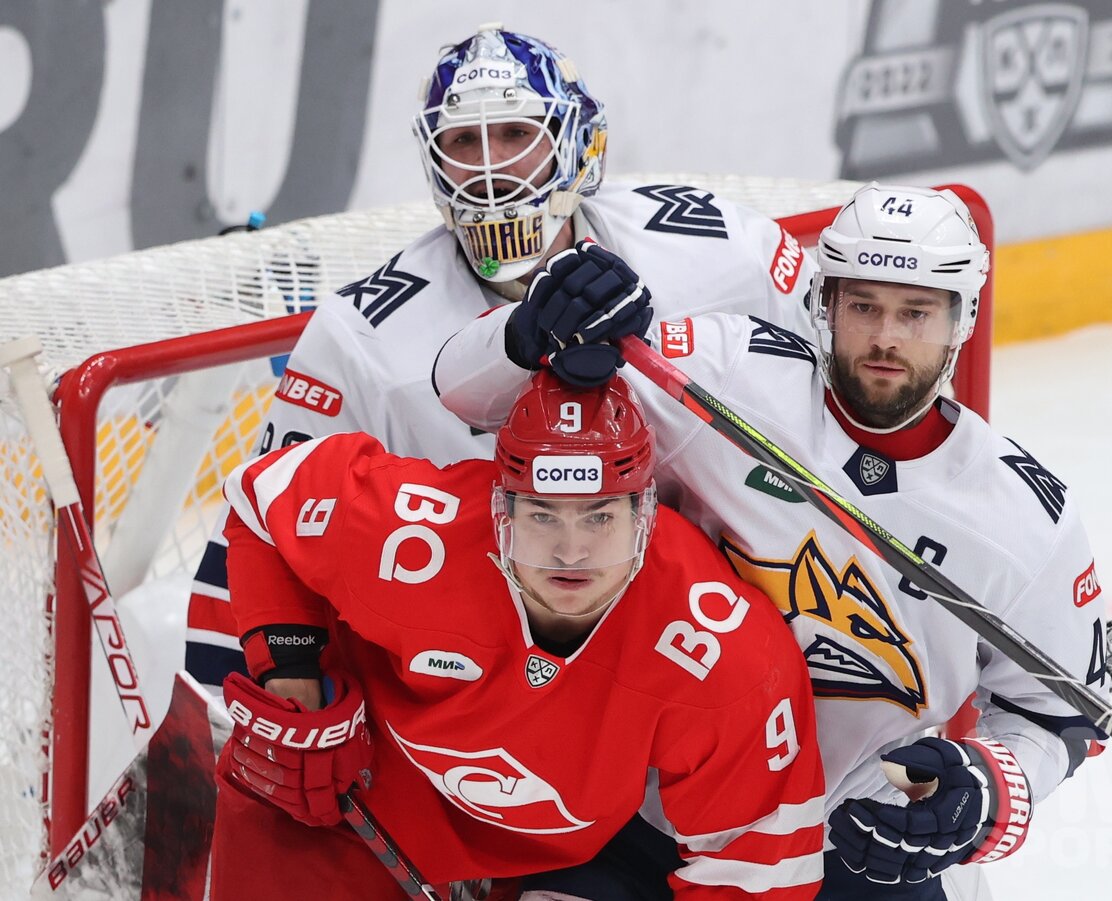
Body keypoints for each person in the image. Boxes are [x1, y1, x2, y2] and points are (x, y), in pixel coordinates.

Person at [433, 184, 1112, 900]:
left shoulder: (1025, 515)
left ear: (962, 317)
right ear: (825, 304)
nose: (885, 337)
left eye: (915, 312)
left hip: (856, 848)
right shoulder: (726, 375)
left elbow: (1060, 715)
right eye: (863, 307)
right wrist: (534, 327)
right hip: (645, 817)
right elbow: (463, 392)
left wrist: (987, 788)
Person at [185, 23, 817, 692]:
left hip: (712, 641)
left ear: (575, 143)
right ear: (435, 161)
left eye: (516, 134)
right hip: (487, 682)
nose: (490, 170)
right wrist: (279, 685)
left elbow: (841, 396)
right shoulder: (361, 338)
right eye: (463, 141)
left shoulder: (719, 249)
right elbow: (264, 522)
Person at [208, 371, 825, 899]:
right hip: (339, 804)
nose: (571, 550)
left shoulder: (719, 652)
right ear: (501, 513)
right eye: (541, 514)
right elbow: (263, 496)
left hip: (546, 867)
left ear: (646, 515)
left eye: (601, 515)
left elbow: (757, 869)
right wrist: (292, 678)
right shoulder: (418, 540)